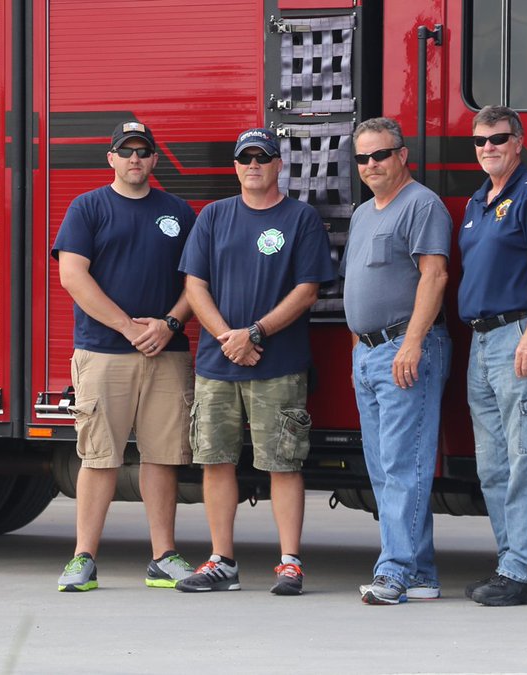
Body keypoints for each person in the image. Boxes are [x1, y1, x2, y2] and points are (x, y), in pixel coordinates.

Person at [175, 128, 334, 594]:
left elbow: (307, 290)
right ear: (235, 166)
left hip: (277, 363)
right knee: (215, 461)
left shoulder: (300, 218)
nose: (253, 166)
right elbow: (194, 286)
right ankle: (222, 562)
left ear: (279, 164)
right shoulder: (213, 216)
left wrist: (255, 333)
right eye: (245, 158)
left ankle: (290, 563)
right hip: (217, 363)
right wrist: (229, 338)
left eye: (262, 158)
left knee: (283, 463)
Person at [52, 121, 197, 591]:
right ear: (111, 158)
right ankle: (83, 559)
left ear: (154, 159)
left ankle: (163, 557)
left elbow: (197, 281)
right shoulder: (88, 207)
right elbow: (72, 276)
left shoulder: (178, 212)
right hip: (102, 353)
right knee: (99, 457)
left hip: (167, 353)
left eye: (143, 151)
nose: (135, 158)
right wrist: (128, 327)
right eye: (126, 151)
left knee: (163, 457)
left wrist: (169, 324)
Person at [457, 106, 527, 606]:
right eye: (480, 141)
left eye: (498, 139)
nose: (488, 148)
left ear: (518, 142)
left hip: (521, 332)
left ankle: (526, 570)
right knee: (493, 465)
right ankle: (511, 564)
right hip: (481, 341)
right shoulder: (475, 202)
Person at [342, 117, 453, 605]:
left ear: (402, 155)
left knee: (403, 464)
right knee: (385, 469)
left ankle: (395, 572)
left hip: (404, 350)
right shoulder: (363, 214)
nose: (370, 164)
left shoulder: (422, 204)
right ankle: (422, 573)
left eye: (380, 155)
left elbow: (435, 276)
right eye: (362, 157)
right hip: (369, 354)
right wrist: (357, 348)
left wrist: (411, 343)